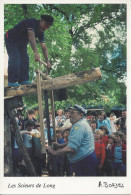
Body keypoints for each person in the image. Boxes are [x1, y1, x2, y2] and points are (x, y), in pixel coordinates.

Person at [46, 104, 97, 176]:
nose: (70, 115)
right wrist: (60, 145)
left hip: (85, 161)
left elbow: (71, 148)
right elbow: (75, 142)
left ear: (81, 115)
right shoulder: (80, 124)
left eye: (72, 113)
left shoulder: (79, 126)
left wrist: (54, 152)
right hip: (85, 159)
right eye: (69, 112)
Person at [5, 15, 54, 86]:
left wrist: (47, 60)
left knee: (25, 59)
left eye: (48, 27)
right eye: (45, 25)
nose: (45, 28)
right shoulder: (32, 22)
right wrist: (36, 53)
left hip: (22, 43)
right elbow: (31, 37)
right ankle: (12, 81)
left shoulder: (41, 32)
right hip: (11, 38)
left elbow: (43, 47)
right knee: (15, 57)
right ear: (41, 20)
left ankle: (23, 80)